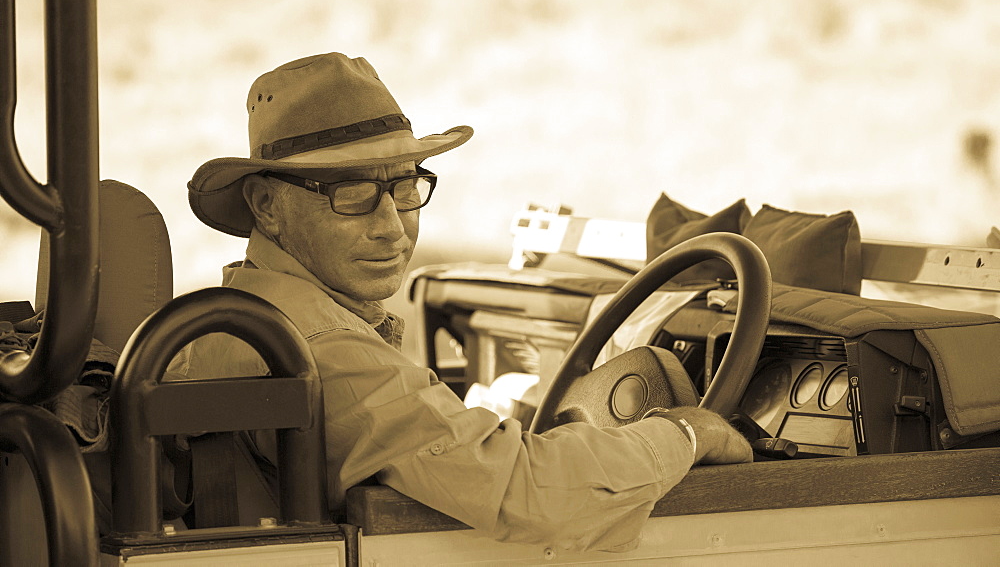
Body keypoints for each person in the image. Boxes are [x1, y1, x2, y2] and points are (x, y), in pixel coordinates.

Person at [172, 52, 752, 552]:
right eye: (350, 194)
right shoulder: (322, 351)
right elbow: (535, 495)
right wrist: (687, 433)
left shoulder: (244, 313)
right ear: (267, 206)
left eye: (404, 188)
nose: (392, 229)